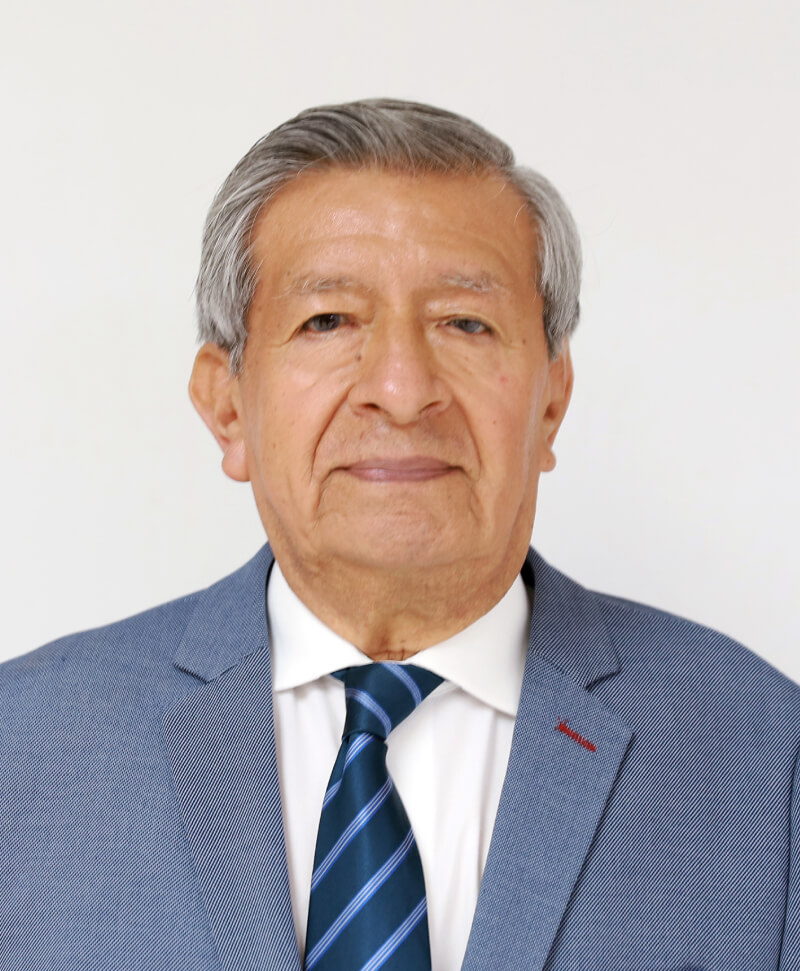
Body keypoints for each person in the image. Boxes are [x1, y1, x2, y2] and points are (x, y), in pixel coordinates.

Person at [1, 99, 798, 971]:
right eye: (328, 320)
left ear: (551, 401)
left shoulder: (768, 762)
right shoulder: (23, 746)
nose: (402, 389)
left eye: (466, 322)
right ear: (226, 406)